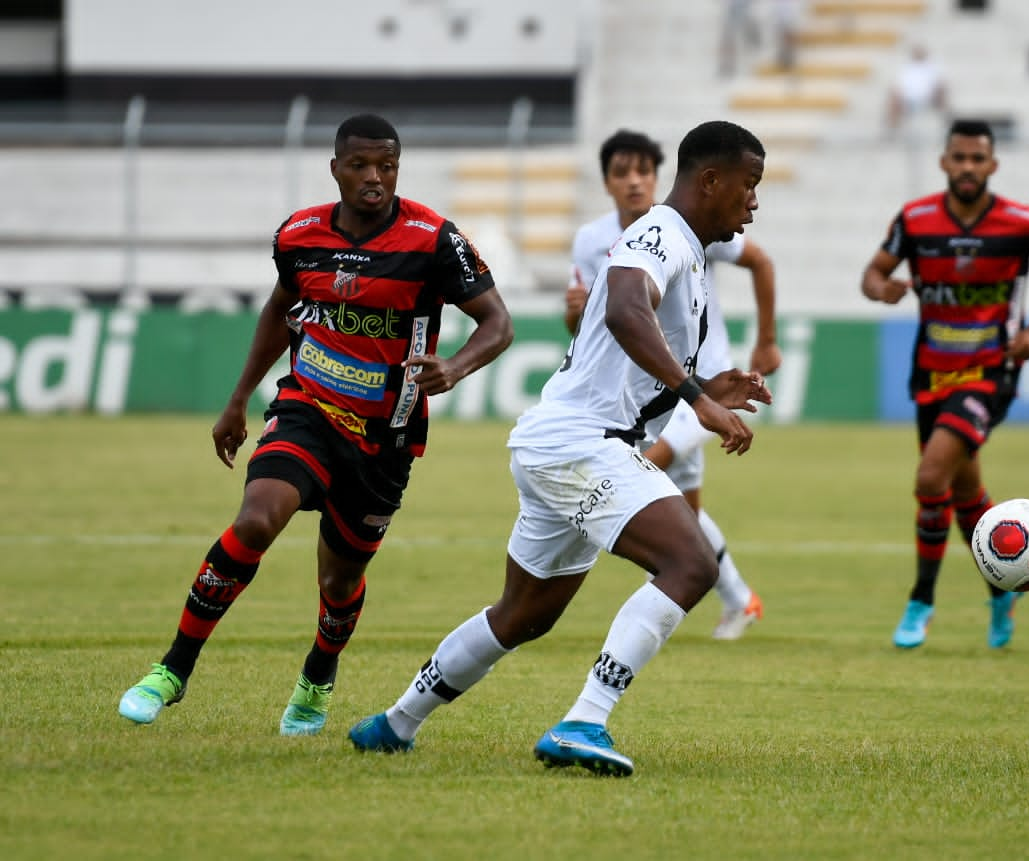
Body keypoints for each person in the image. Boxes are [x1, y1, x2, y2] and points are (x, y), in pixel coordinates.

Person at [348, 120, 773, 776]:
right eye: (748, 186)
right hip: (582, 444)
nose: (753, 202)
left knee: (522, 614)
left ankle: (394, 723)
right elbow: (625, 309)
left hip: (564, 440)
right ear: (710, 180)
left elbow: (627, 354)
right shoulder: (660, 233)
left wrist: (720, 385)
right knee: (691, 562)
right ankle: (583, 719)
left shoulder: (683, 249)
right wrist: (698, 396)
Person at [117, 114, 514, 734]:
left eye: (387, 165)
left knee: (340, 577)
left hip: (386, 439)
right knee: (255, 520)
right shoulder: (299, 235)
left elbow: (498, 323)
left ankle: (317, 676)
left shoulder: (434, 240)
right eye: (360, 165)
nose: (374, 178)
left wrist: (457, 367)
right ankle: (172, 669)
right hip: (308, 408)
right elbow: (282, 306)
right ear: (336, 169)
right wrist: (238, 398)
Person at [858, 118, 1029, 650]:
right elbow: (871, 274)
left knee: (931, 477)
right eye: (958, 158)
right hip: (931, 374)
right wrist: (882, 289)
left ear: (992, 165)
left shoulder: (1025, 222)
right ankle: (1002, 590)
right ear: (944, 162)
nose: (967, 168)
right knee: (963, 493)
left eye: (977, 159)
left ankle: (921, 600)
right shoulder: (915, 220)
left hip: (988, 374)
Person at [565, 128, 781, 640]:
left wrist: (766, 340)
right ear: (606, 183)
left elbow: (762, 260)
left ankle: (663, 592)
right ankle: (737, 598)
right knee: (682, 509)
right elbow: (606, 326)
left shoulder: (695, 227)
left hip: (701, 390)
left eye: (644, 171)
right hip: (647, 397)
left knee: (642, 478)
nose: (635, 182)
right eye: (622, 172)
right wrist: (575, 314)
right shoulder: (592, 240)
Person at [884, 44, 949, 134]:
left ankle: (945, 122)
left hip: (928, 98)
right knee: (894, 100)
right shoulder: (906, 68)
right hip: (908, 99)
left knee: (942, 91)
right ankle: (892, 131)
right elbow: (897, 86)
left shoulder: (933, 68)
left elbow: (941, 84)